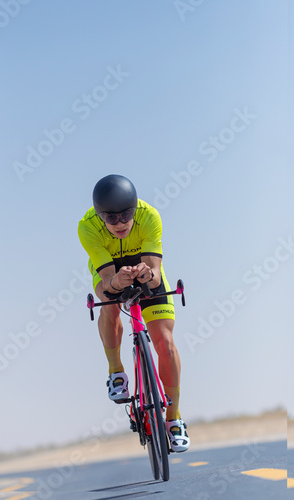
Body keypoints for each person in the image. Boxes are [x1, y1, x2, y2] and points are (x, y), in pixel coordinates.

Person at [78, 174, 190, 453]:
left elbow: (153, 273)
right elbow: (106, 279)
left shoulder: (149, 216)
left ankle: (174, 418)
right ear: (99, 215)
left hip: (145, 267)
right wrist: (116, 283)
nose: (120, 223)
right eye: (111, 218)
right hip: (110, 269)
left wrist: (148, 275)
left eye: (126, 215)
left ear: (135, 208)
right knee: (109, 302)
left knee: (164, 341)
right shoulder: (87, 227)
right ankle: (116, 372)